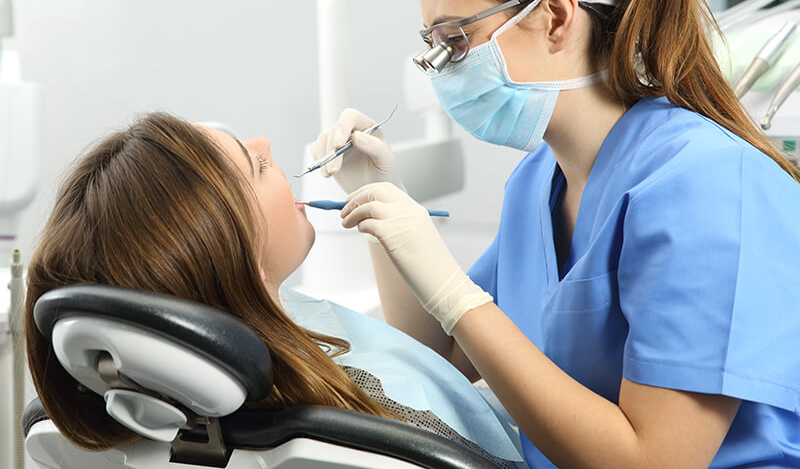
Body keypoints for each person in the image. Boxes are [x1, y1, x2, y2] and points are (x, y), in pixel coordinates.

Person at [311, 0, 800, 469]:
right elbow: (441, 349)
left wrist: (454, 291)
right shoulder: (537, 182)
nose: (441, 72)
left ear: (556, 17)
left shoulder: (708, 184)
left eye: (456, 41)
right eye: (433, 46)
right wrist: (381, 198)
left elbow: (654, 461)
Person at [24, 112, 524, 467]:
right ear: (244, 268)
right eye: (255, 166)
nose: (264, 142)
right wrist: (454, 294)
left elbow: (420, 358)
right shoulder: (377, 424)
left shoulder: (199, 378)